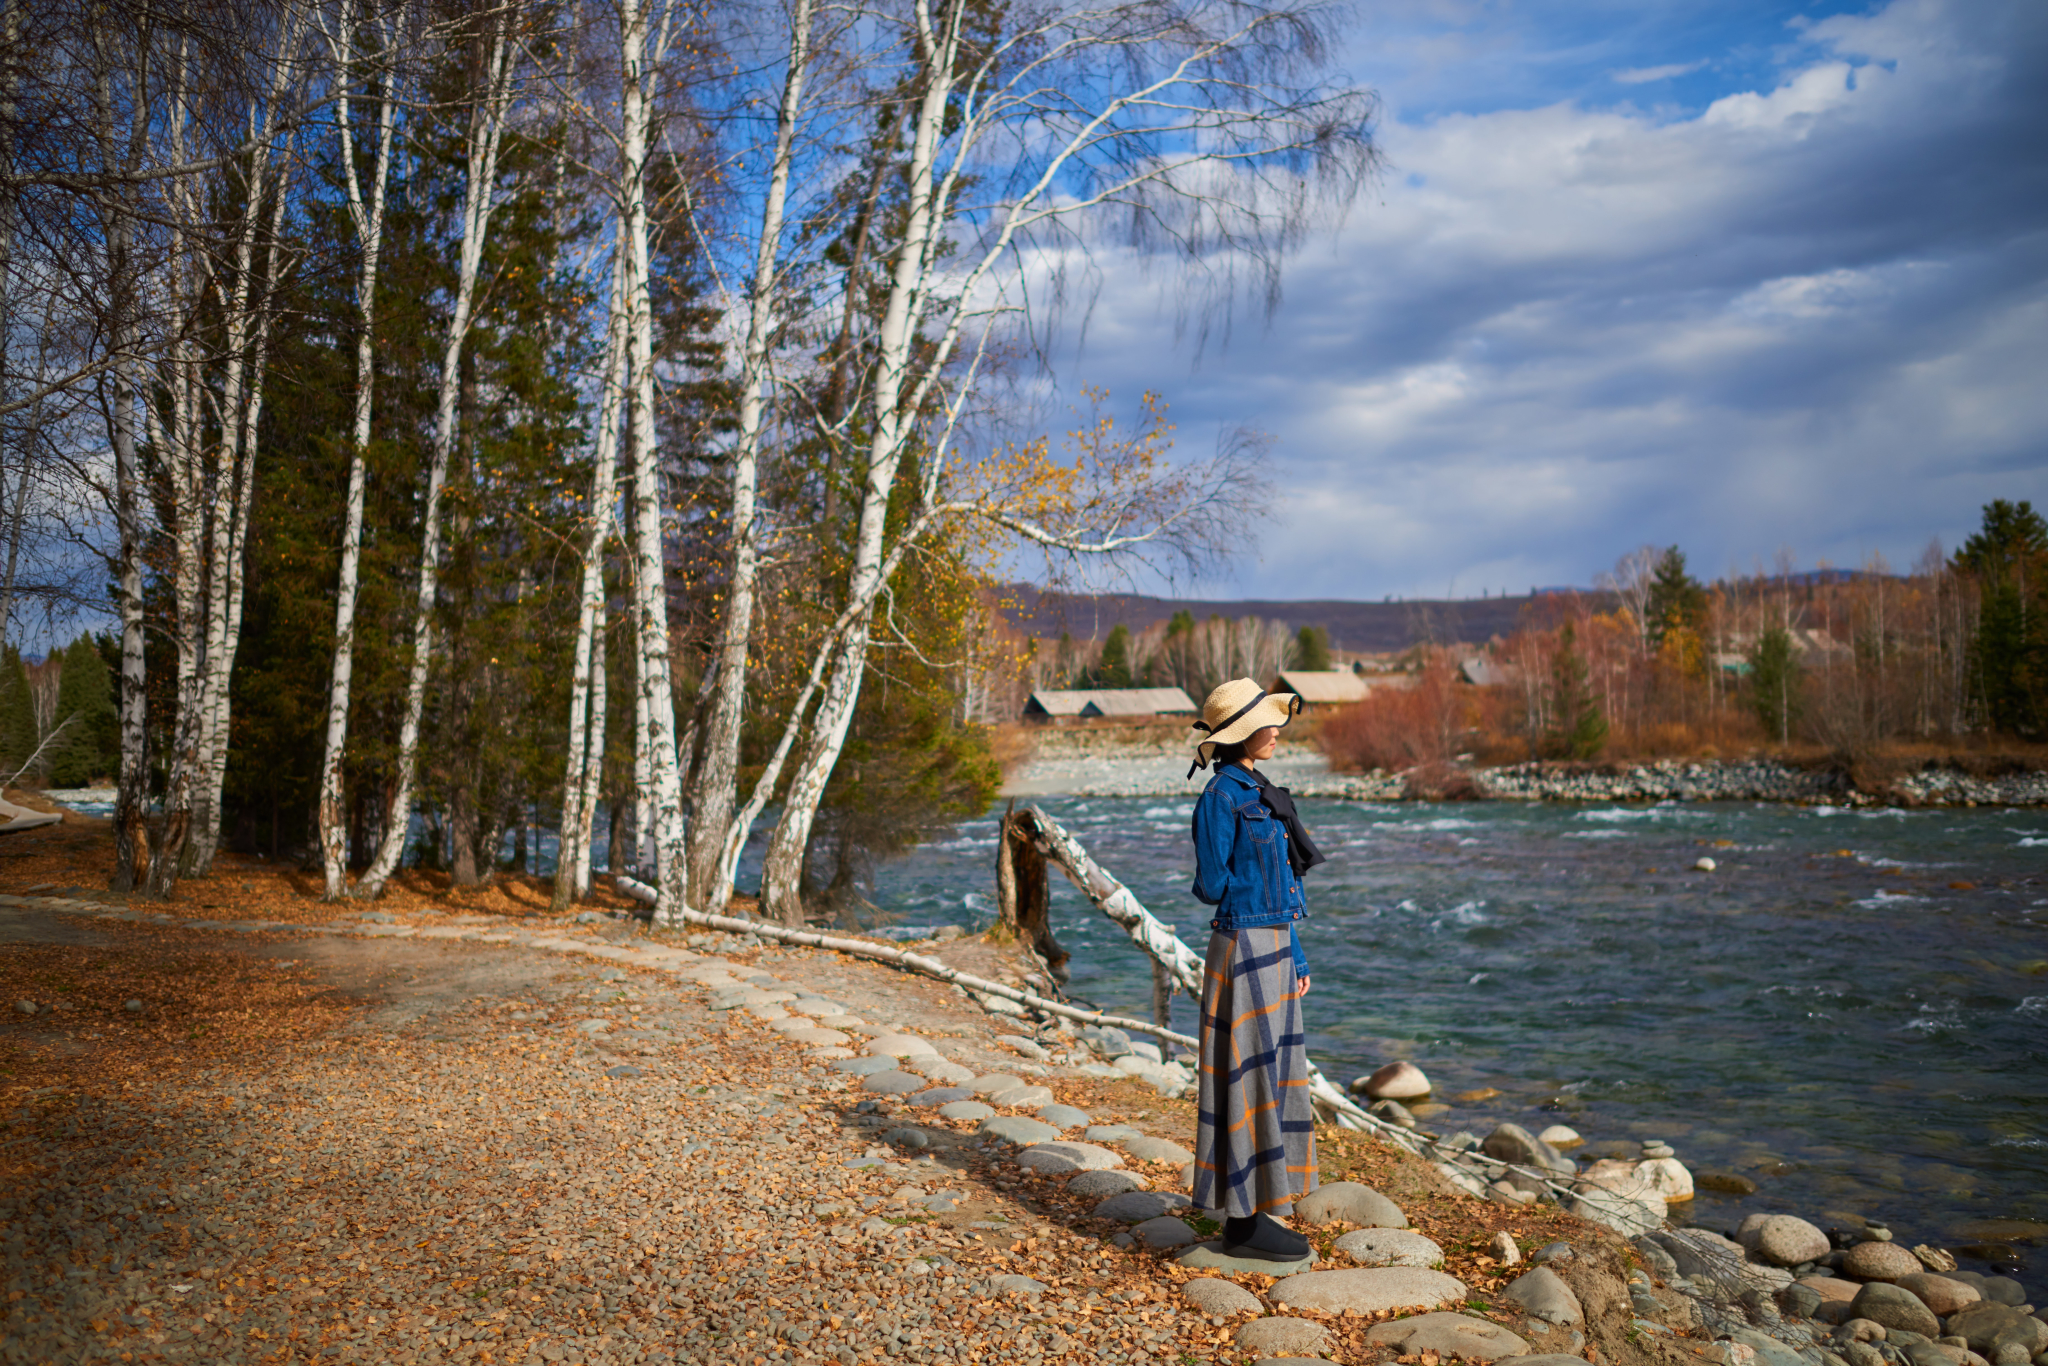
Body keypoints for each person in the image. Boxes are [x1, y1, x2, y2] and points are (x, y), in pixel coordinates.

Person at [1185, 677, 1327, 1261]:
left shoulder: (1263, 790)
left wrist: (1296, 955)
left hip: (1272, 947)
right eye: (1268, 722)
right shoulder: (1219, 798)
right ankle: (1241, 1223)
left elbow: (1285, 883)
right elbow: (1211, 886)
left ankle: (1265, 1204)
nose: (1276, 730)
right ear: (1242, 733)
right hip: (1241, 948)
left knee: (1277, 1074)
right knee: (1244, 1080)